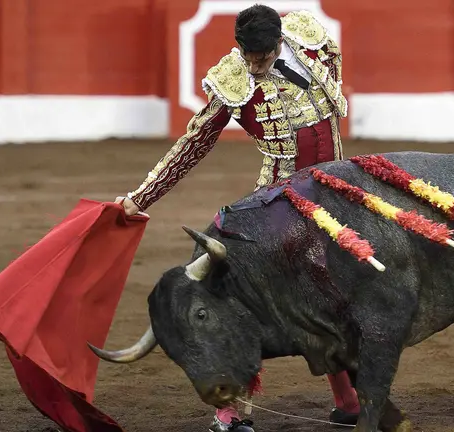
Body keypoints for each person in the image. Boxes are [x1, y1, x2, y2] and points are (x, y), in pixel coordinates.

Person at [114, 4, 359, 432]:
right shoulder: (234, 78)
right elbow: (195, 141)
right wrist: (142, 197)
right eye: (247, 56)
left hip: (336, 195)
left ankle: (349, 403)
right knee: (249, 301)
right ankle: (229, 414)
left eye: (261, 58)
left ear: (280, 41)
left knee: (335, 299)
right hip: (278, 202)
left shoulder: (310, 38)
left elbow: (334, 79)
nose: (254, 66)